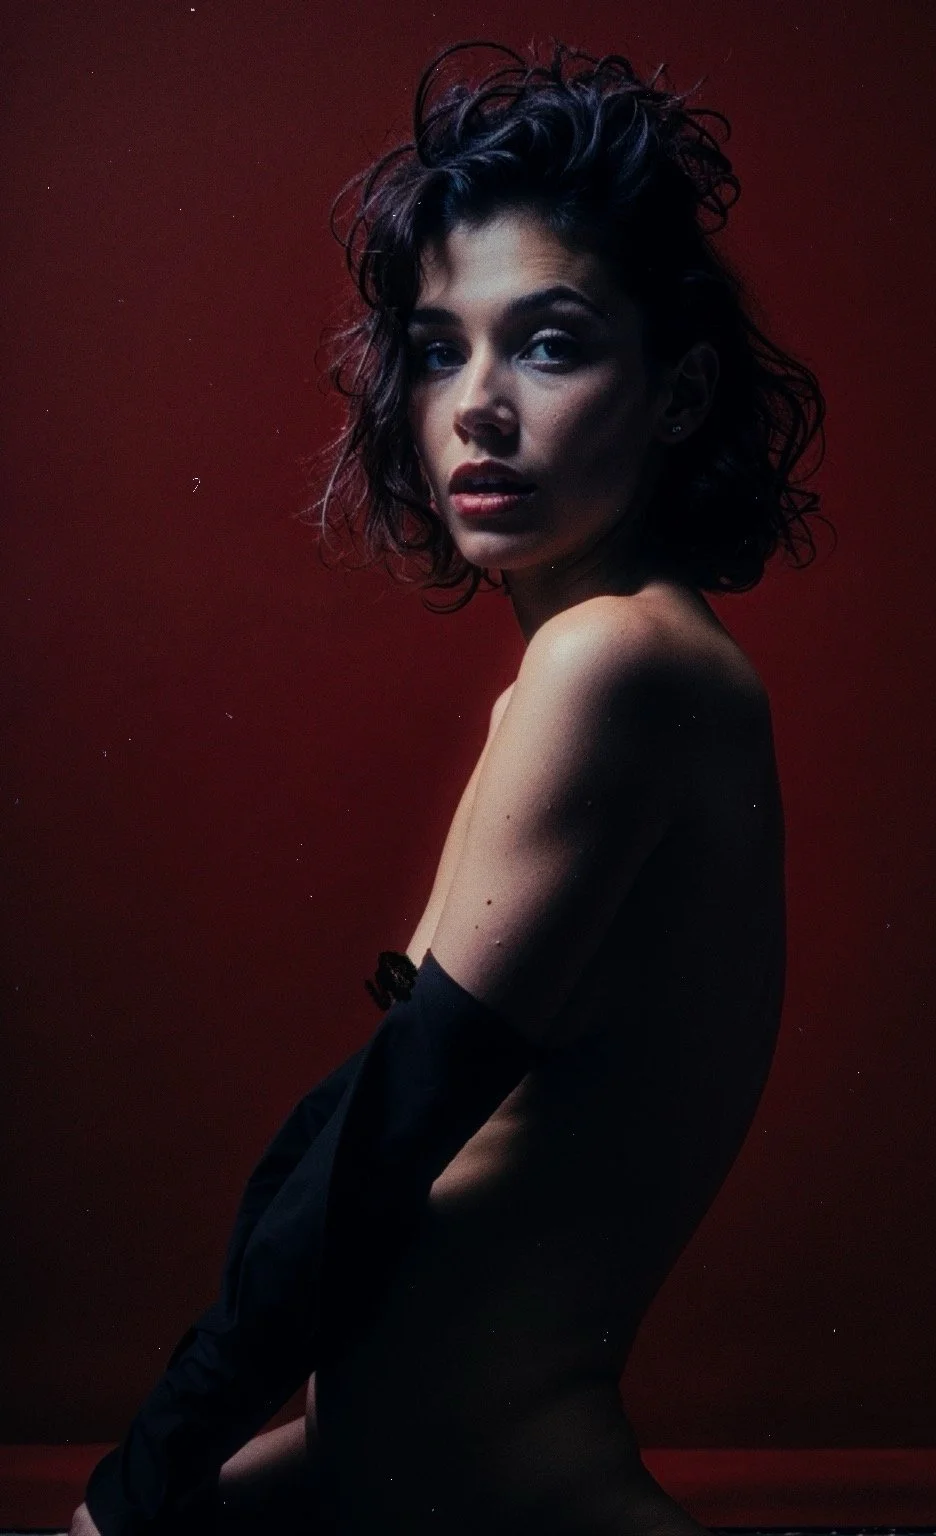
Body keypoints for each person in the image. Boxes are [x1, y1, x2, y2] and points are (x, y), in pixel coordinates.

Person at [73, 38, 825, 1536]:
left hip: (508, 1491)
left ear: (677, 399)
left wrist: (138, 1485)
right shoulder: (628, 664)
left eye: (548, 343)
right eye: (438, 347)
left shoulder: (616, 665)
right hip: (394, 1473)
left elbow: (394, 1127)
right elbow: (368, 1129)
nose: (476, 404)